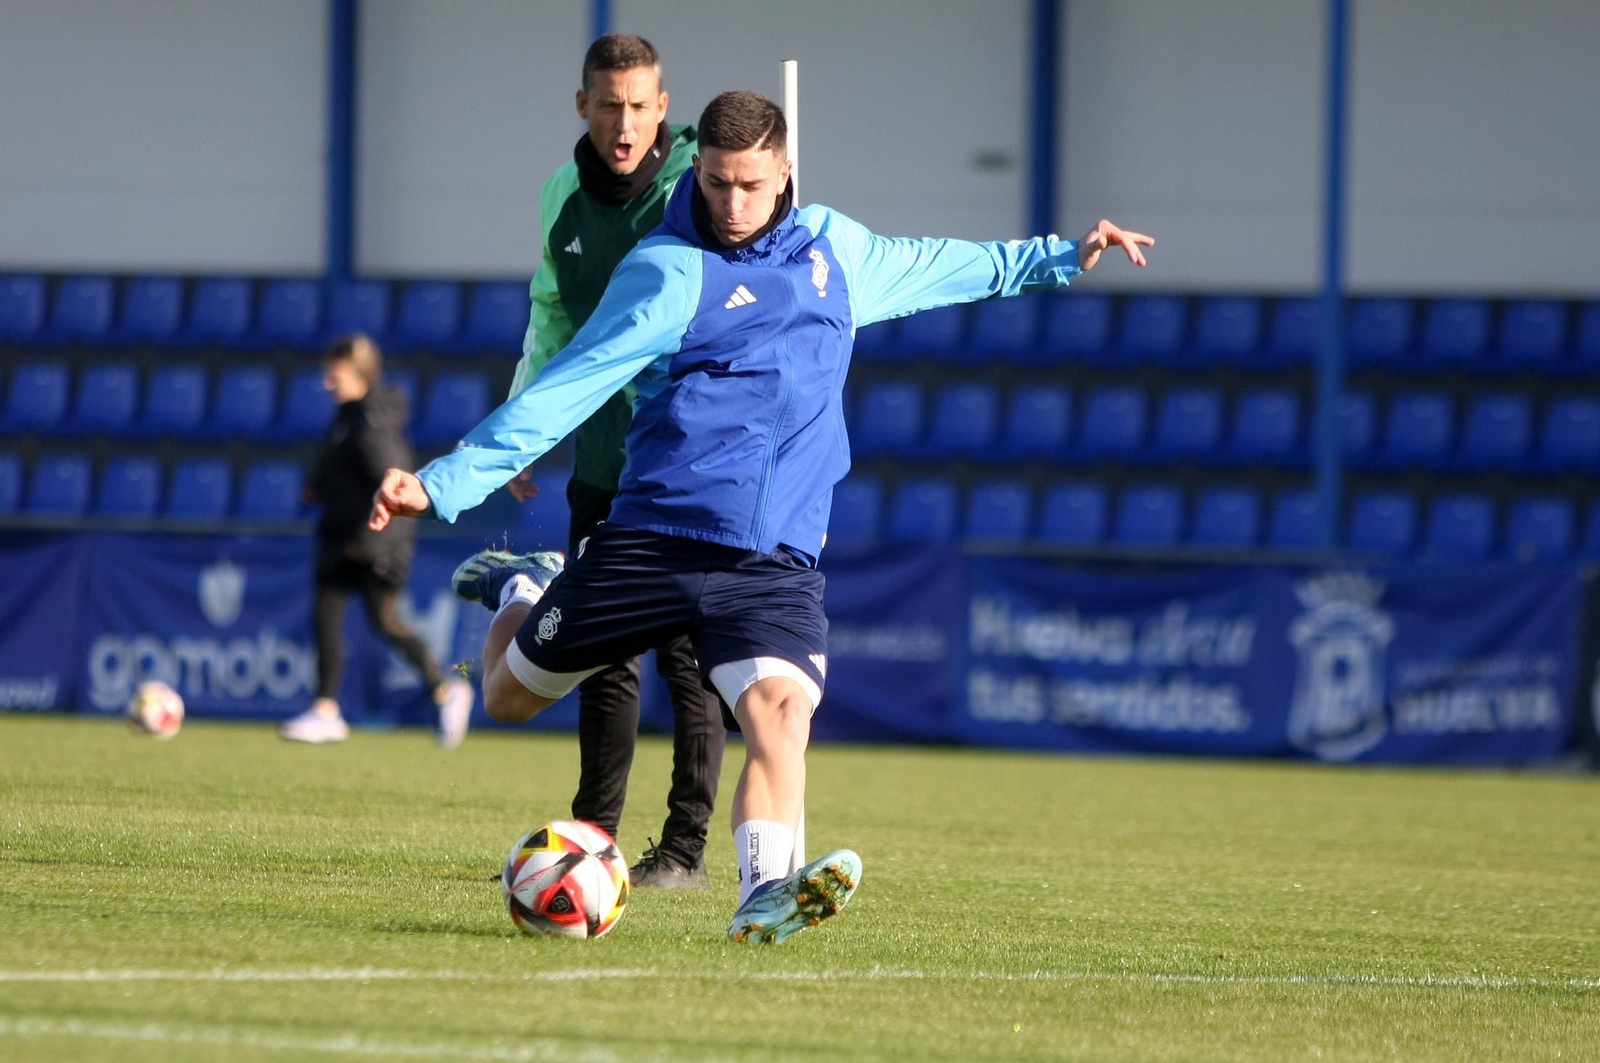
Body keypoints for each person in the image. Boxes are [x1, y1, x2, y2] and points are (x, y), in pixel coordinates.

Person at [370, 91, 1153, 943]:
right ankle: (526, 585)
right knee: (507, 696)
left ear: (786, 170)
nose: (732, 205)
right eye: (714, 184)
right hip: (654, 539)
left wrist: (1060, 257)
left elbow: (940, 265)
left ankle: (761, 895)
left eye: (749, 184)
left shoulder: (834, 252)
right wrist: (445, 481)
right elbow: (571, 384)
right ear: (697, 170)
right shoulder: (667, 270)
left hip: (772, 560)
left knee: (781, 714)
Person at [508, 33, 726, 888]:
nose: (624, 121)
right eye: (609, 104)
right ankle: (592, 842)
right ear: (583, 106)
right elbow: (549, 314)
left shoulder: (696, 190)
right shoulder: (561, 195)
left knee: (685, 658)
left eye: (640, 105)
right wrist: (526, 425)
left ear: (663, 108)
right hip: (602, 461)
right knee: (601, 658)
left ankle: (685, 849)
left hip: (685, 464)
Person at [280, 334, 474, 746]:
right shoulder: (347, 417)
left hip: (370, 541)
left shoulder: (370, 421)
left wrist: (375, 544)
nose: (328, 382)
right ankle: (327, 709)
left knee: (383, 621)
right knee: (328, 616)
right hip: (340, 538)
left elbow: (392, 482)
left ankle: (446, 688)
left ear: (360, 374)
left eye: (336, 374)